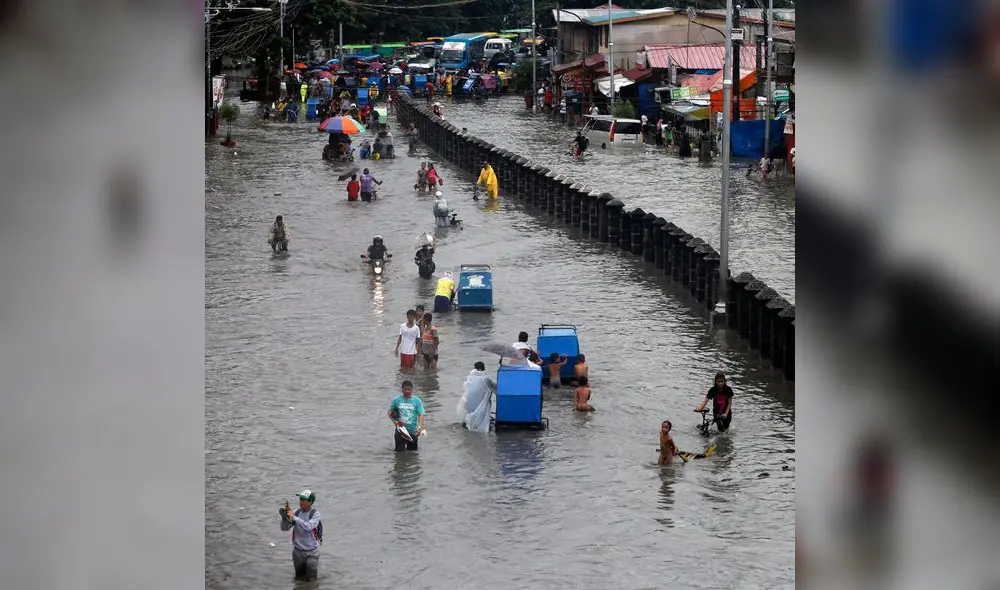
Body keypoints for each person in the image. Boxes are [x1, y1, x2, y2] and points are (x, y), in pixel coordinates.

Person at [279, 489, 322, 581]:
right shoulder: (296, 512)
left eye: (303, 500)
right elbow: (284, 528)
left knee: (312, 579)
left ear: (310, 502)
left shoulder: (315, 514)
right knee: (298, 578)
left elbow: (308, 526)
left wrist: (294, 518)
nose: (301, 502)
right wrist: (284, 518)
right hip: (297, 552)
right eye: (300, 499)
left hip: (312, 552)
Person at [388, 380, 425, 451]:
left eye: (409, 389)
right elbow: (390, 412)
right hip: (400, 431)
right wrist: (395, 422)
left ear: (412, 390)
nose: (407, 391)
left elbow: (421, 414)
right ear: (401, 389)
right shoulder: (396, 400)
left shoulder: (417, 401)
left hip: (413, 431)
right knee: (399, 453)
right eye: (405, 389)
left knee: (412, 454)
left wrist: (419, 427)